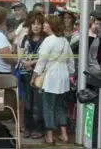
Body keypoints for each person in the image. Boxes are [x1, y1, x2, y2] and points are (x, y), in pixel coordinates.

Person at [30, 15, 75, 144]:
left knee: (48, 107)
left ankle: (49, 136)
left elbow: (41, 62)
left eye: (45, 23)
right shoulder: (65, 41)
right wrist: (69, 73)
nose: (43, 25)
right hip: (63, 78)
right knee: (60, 106)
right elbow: (71, 63)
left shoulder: (48, 41)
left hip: (51, 77)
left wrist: (34, 77)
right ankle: (64, 135)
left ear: (51, 25)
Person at [16, 12, 46, 138]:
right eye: (33, 23)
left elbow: (45, 57)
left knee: (39, 103)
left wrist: (31, 62)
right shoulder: (24, 38)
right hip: (25, 72)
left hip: (40, 73)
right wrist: (25, 63)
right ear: (30, 25)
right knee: (27, 101)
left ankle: (39, 127)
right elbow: (20, 54)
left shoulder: (46, 39)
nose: (36, 26)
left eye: (39, 24)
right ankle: (28, 126)